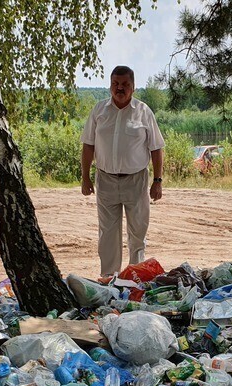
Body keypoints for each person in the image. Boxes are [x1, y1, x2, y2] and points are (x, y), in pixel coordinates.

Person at [80, 65, 165, 278]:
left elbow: (156, 147)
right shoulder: (99, 111)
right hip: (105, 180)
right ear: (110, 86)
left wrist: (158, 180)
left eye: (125, 84)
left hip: (136, 180)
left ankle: (135, 278)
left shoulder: (144, 112)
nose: (120, 88)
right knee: (107, 234)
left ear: (133, 87)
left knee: (137, 233)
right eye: (115, 84)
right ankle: (110, 278)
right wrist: (85, 178)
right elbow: (88, 145)